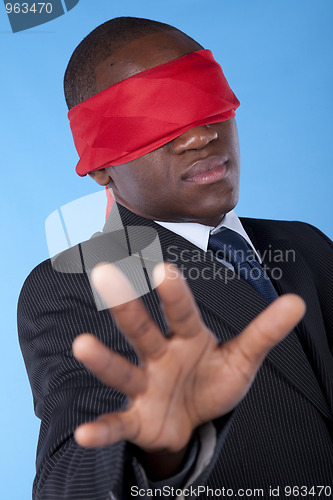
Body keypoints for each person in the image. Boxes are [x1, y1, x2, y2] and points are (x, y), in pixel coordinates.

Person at [18, 17, 333, 500]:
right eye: (153, 120)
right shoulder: (78, 283)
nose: (198, 137)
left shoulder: (308, 246)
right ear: (100, 166)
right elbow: (66, 478)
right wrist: (158, 452)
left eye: (206, 101)